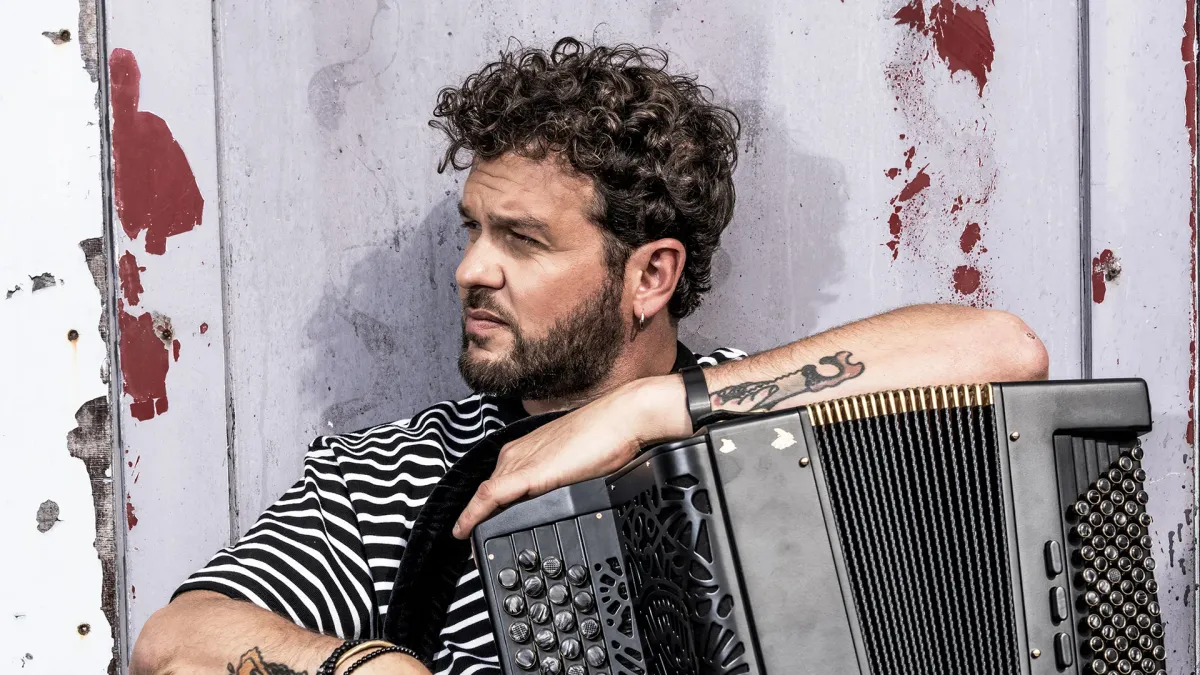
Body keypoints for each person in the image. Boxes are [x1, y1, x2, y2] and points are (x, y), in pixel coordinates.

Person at [131, 38, 1047, 675]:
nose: (470, 269)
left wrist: (640, 413)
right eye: (473, 229)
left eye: (522, 240)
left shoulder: (764, 417)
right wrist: (367, 665)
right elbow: (173, 639)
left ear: (650, 276)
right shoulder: (390, 476)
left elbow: (1001, 348)